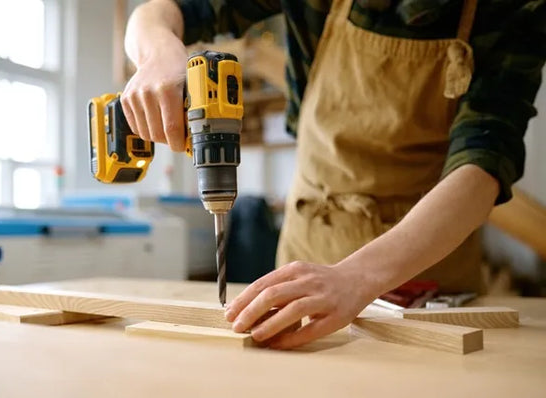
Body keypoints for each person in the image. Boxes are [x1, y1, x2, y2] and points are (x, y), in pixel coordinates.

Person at [121, 0, 545, 349]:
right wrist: (158, 51)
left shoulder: (514, 9)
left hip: (427, 267)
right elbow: (160, 11)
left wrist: (359, 276)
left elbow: (485, 164)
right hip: (312, 242)